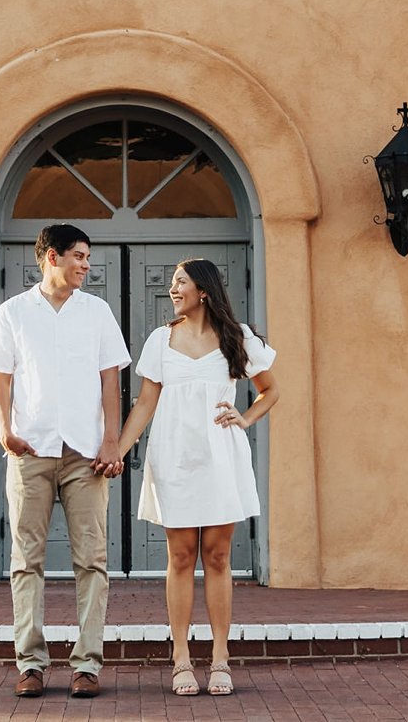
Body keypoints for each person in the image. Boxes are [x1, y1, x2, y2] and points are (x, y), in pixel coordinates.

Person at [112, 257, 279, 698]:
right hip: (175, 457)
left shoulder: (236, 338)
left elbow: (271, 389)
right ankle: (182, 658)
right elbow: (145, 404)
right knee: (182, 556)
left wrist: (244, 418)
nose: (172, 289)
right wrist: (117, 451)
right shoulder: (159, 340)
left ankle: (221, 657)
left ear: (202, 290)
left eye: (180, 282)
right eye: (171, 283)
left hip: (221, 457)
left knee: (218, 556)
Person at [0, 223, 130, 699]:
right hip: (30, 451)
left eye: (87, 257)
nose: (86, 265)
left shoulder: (98, 312)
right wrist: (4, 430)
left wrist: (112, 442)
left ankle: (87, 665)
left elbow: (112, 383)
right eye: (79, 256)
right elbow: (1, 379)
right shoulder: (14, 313)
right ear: (51, 257)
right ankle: (31, 663)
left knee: (93, 560)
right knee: (26, 561)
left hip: (86, 455)